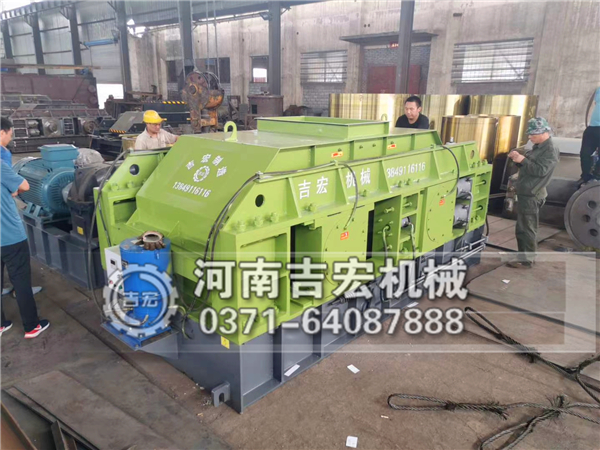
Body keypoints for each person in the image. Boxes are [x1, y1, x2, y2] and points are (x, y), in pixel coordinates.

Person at [1, 117, 49, 338]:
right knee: (21, 280)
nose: (10, 137)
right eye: (10, 133)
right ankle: (31, 326)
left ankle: (1, 324)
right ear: (2, 132)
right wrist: (13, 190)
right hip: (9, 234)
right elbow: (25, 185)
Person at [506, 117, 559, 269]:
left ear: (543, 132)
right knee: (522, 227)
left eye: (533, 134)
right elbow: (529, 166)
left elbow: (541, 171)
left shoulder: (550, 150)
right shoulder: (539, 146)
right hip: (527, 192)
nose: (529, 137)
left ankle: (526, 260)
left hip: (532, 195)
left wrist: (523, 160)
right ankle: (523, 256)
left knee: (527, 228)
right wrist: (518, 159)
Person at [579, 87, 600, 184]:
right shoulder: (598, 90)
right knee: (585, 153)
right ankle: (586, 177)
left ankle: (597, 178)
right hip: (592, 127)